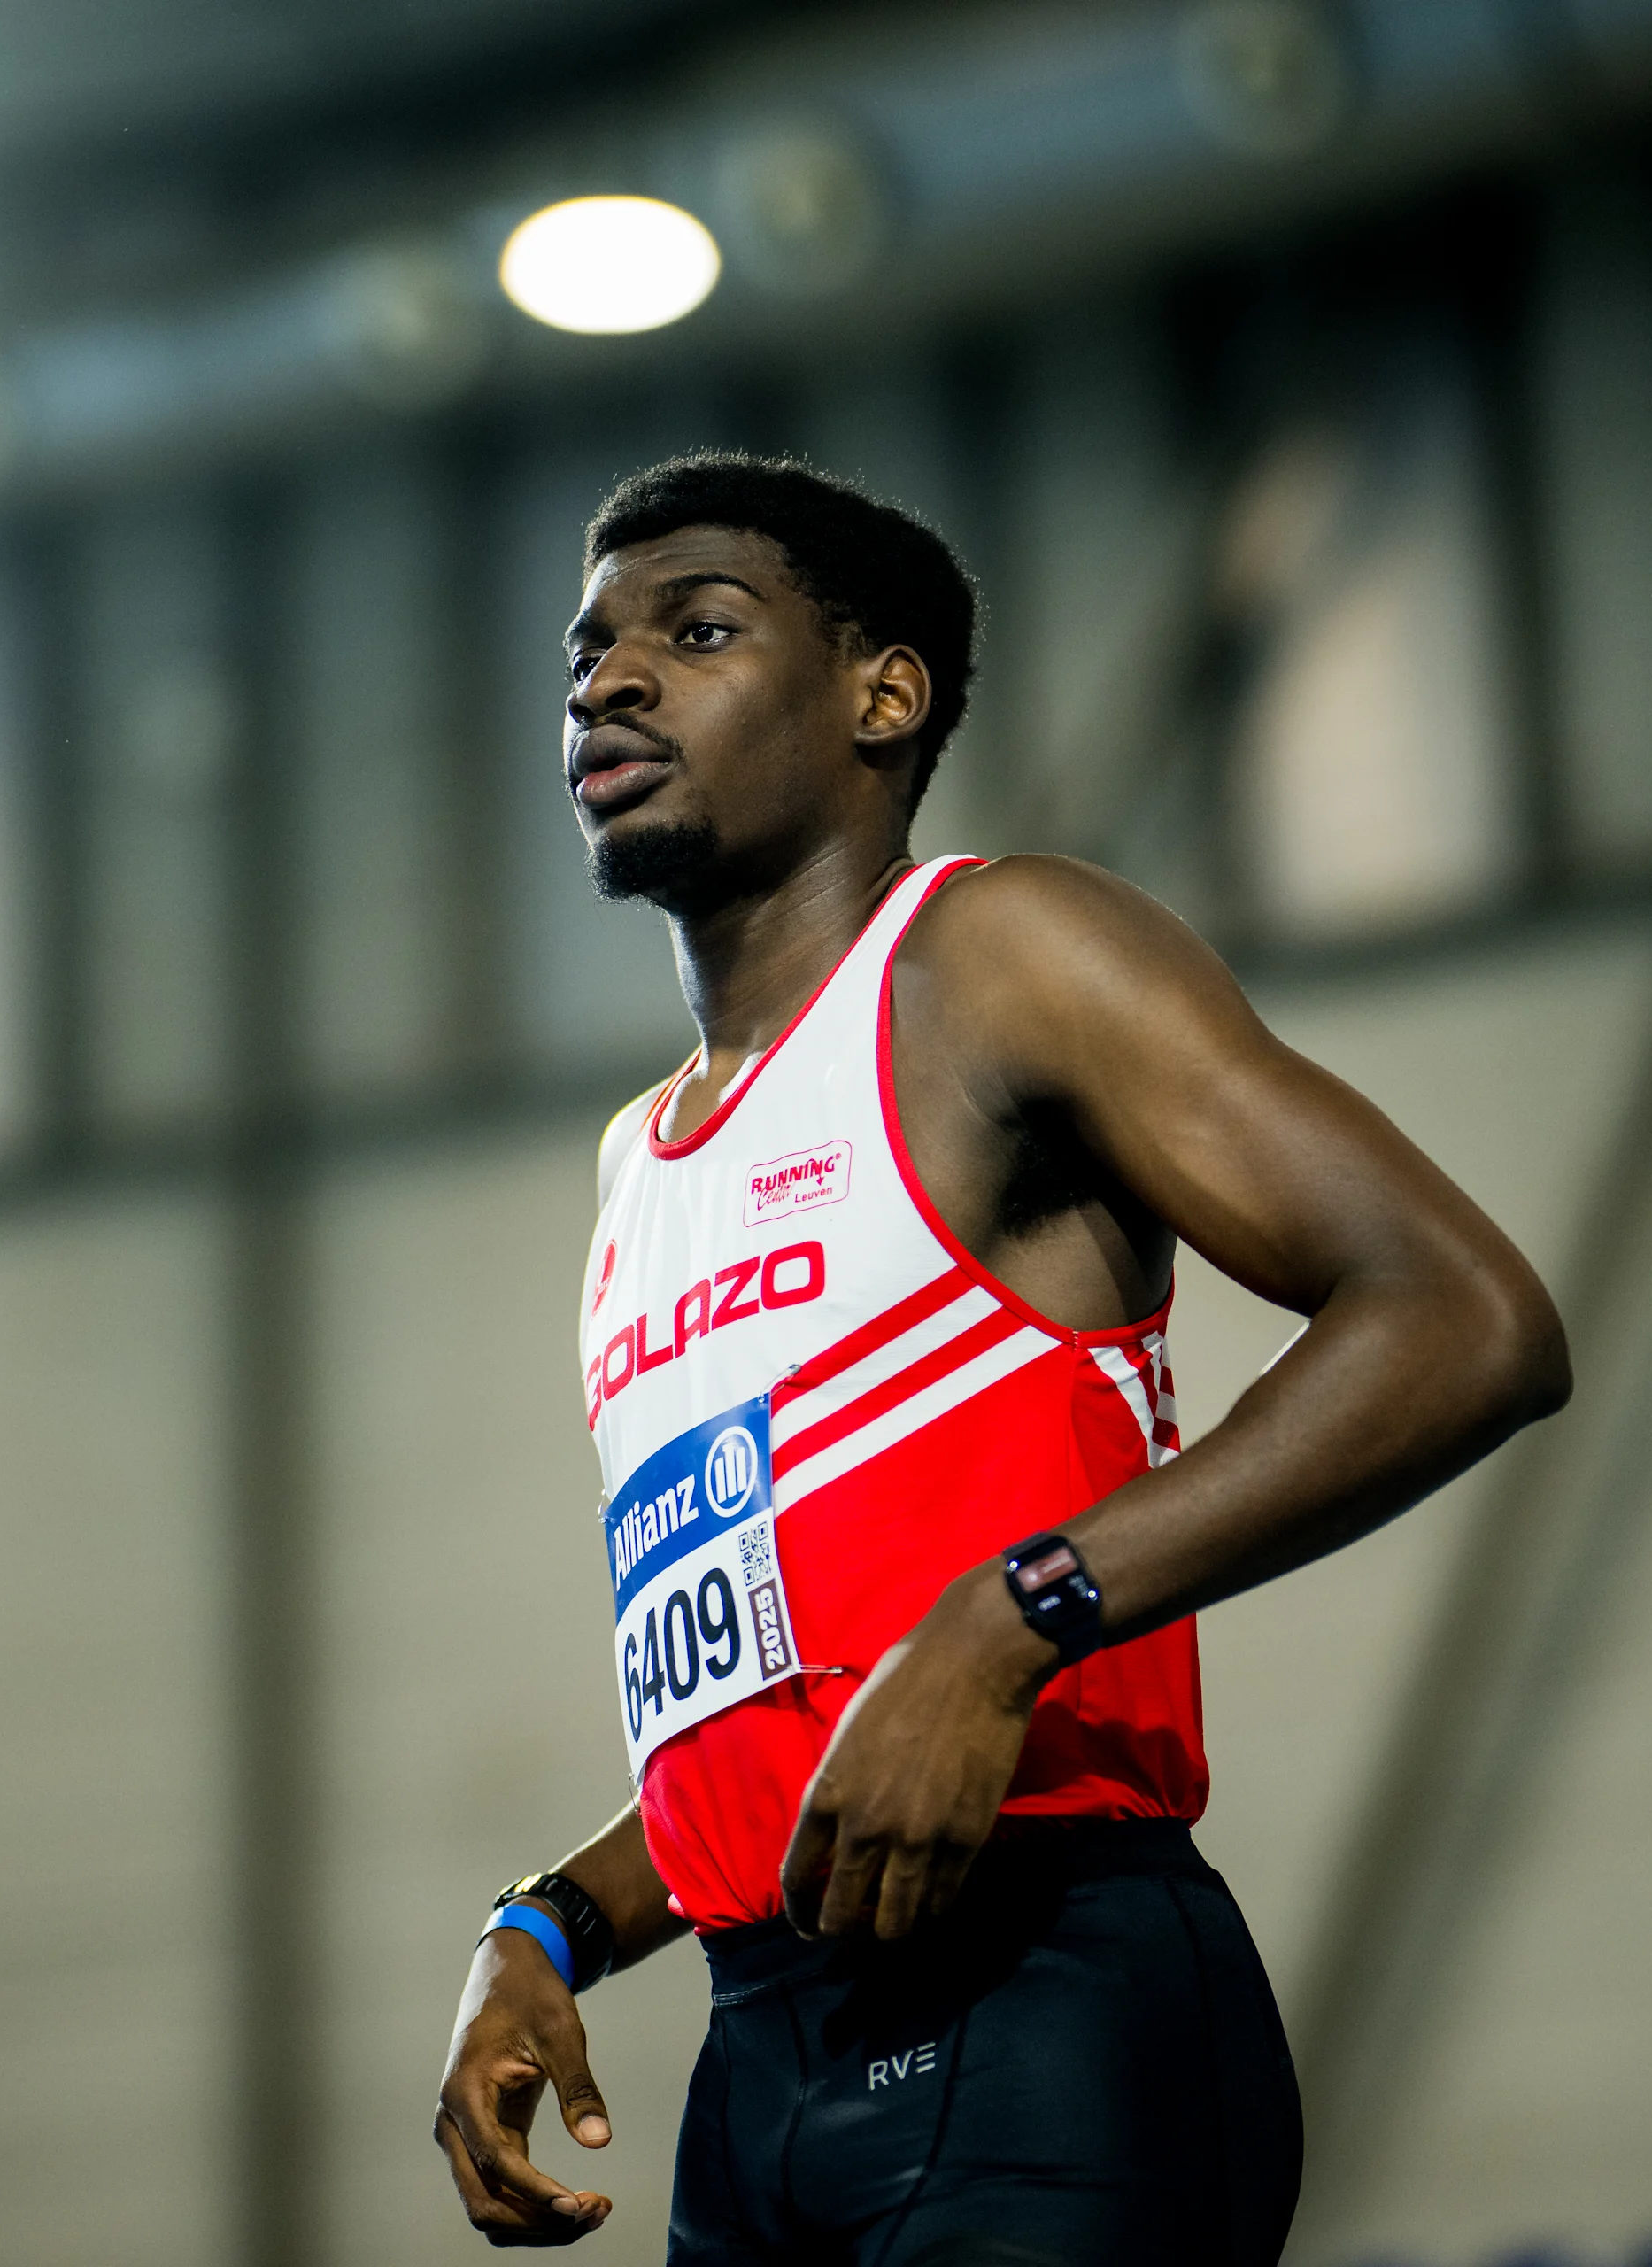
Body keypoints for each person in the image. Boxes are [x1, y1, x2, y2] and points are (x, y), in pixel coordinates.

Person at [431, 453, 1571, 2266]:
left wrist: (1008, 1616)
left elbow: (1466, 1315)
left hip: (1045, 1987)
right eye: (586, 649)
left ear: (883, 694)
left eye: (697, 629)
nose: (608, 679)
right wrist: (548, 1927)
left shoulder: (990, 956)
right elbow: (786, 1692)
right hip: (756, 2064)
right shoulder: (637, 1163)